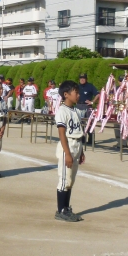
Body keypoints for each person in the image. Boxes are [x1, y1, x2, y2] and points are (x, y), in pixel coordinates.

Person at [54, 80, 85, 222]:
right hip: (67, 145)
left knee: (70, 180)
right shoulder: (62, 110)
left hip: (76, 144)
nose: (78, 95)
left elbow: (79, 132)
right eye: (76, 92)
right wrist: (67, 153)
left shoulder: (76, 111)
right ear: (66, 94)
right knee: (64, 179)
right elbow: (62, 133)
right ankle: (60, 210)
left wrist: (82, 151)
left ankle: (66, 209)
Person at [76, 73, 99, 144]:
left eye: (83, 78)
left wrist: (92, 102)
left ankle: (91, 140)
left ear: (86, 79)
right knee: (80, 123)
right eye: (81, 78)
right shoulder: (77, 86)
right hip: (79, 106)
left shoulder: (90, 86)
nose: (82, 79)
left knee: (89, 123)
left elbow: (98, 94)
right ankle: (82, 139)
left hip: (87, 107)